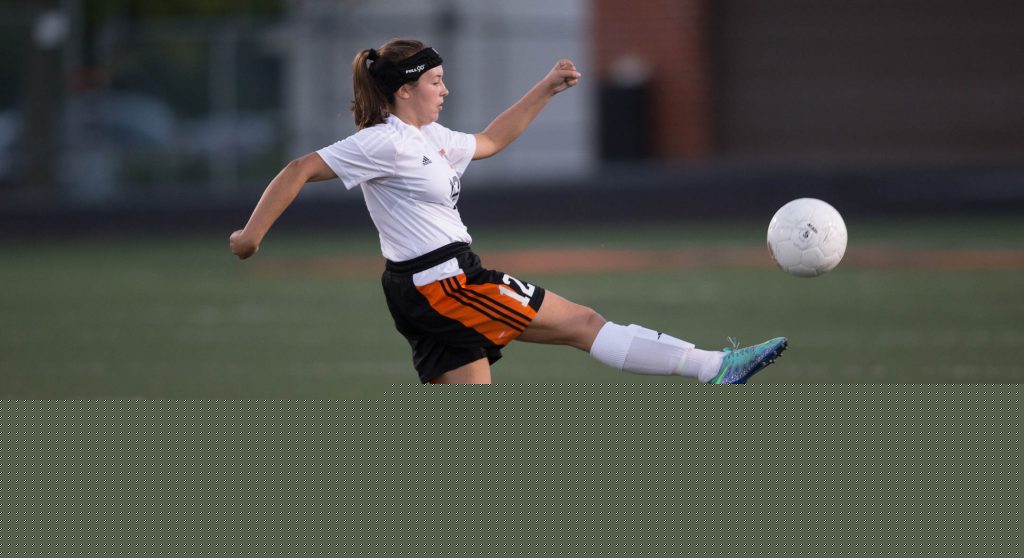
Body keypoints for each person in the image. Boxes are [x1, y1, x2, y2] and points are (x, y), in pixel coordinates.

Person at [229, 39, 787, 385]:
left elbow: (491, 141)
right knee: (585, 326)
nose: (444, 90)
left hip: (424, 286)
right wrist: (251, 235)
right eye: (434, 82)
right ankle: (714, 367)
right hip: (442, 284)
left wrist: (544, 89)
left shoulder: (431, 136)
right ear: (403, 91)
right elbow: (300, 167)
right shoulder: (386, 141)